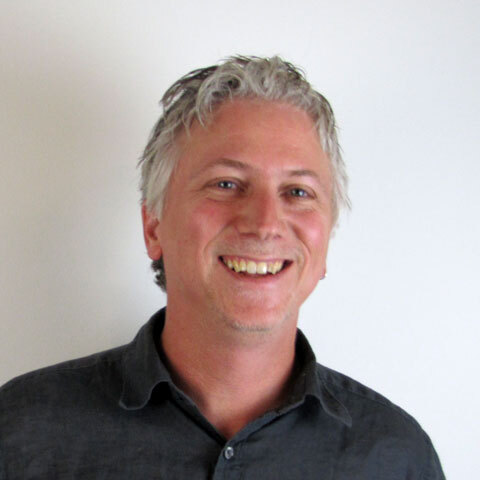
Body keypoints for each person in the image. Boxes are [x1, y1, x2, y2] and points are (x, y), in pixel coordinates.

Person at [0, 56, 445, 479]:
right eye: (227, 184)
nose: (266, 224)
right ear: (153, 226)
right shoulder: (20, 434)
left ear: (325, 237)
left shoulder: (397, 459)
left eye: (297, 192)